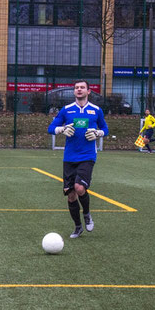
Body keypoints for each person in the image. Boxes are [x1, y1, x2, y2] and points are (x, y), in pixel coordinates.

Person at [47, 80, 109, 239]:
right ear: (74, 92)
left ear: (89, 91)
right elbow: (51, 128)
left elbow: (105, 129)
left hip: (87, 156)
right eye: (76, 88)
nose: (79, 90)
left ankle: (87, 214)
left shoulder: (96, 110)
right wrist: (61, 129)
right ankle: (78, 226)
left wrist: (98, 133)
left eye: (82, 87)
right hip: (69, 157)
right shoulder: (66, 110)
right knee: (71, 195)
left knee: (79, 188)